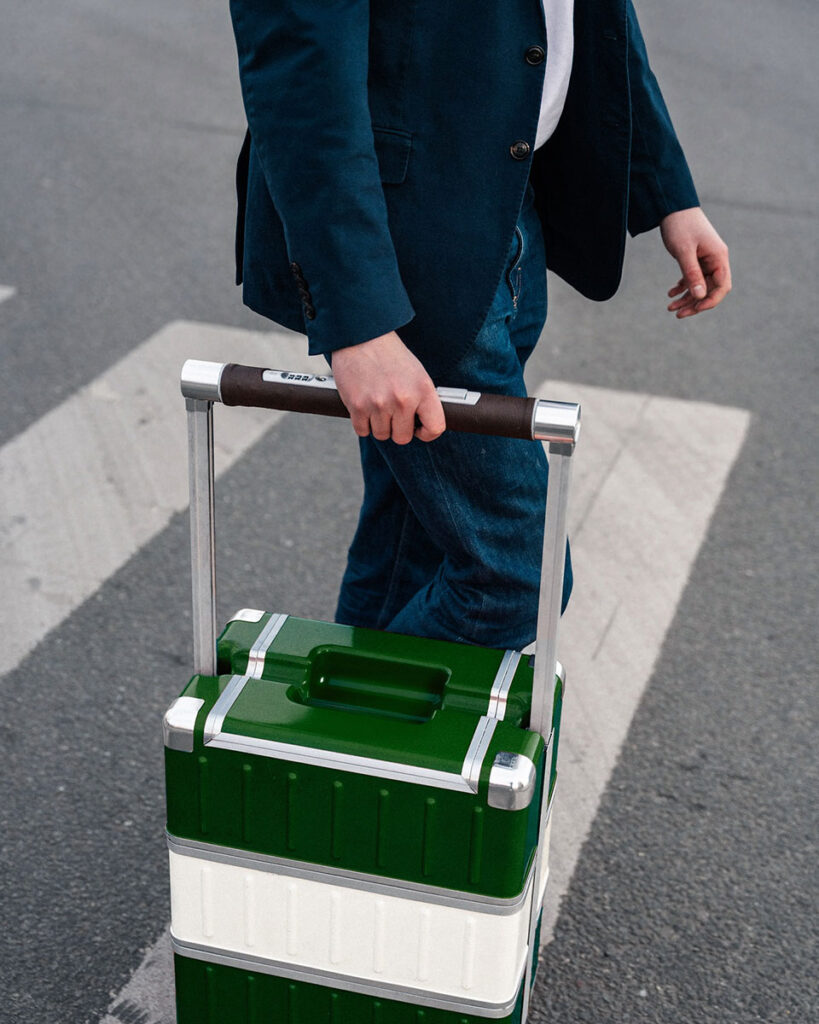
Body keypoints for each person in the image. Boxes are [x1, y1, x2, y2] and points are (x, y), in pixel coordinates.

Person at [228, 0, 731, 650]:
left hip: (511, 210)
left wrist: (667, 192)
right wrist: (358, 323)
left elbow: (594, 14)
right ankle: (362, 735)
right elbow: (299, 65)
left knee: (410, 547)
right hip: (400, 249)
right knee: (520, 577)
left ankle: (351, 740)